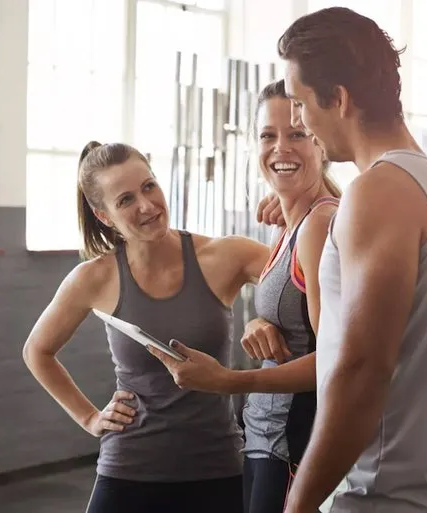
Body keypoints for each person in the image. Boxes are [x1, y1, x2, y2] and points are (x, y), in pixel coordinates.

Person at [264, 7, 427, 513]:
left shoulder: (376, 193)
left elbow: (361, 369)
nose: (300, 122)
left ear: (339, 99)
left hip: (387, 498)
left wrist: (299, 503)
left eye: (300, 105)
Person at [21, 141, 276, 513]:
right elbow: (37, 351)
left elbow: (302, 284)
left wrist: (262, 316)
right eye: (125, 200)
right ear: (103, 215)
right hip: (129, 466)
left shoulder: (225, 256)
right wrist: (90, 417)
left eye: (149, 186)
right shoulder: (94, 278)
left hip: (217, 465)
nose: (146, 205)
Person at [148, 79, 340, 513]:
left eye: (297, 134)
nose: (280, 148)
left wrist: (229, 381)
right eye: (268, 136)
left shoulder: (317, 226)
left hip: (293, 442)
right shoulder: (291, 224)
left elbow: (336, 362)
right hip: (264, 437)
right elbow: (295, 312)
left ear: (322, 144)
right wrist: (259, 322)